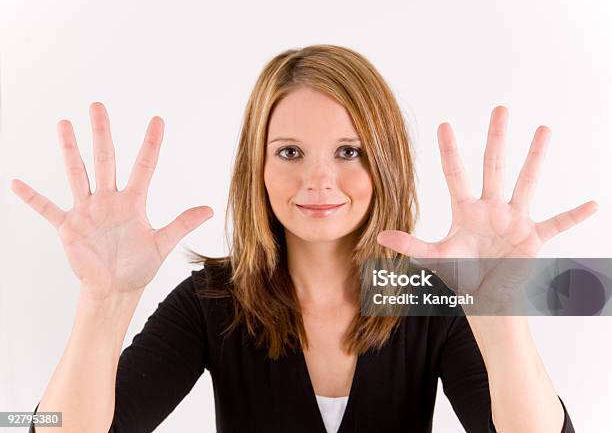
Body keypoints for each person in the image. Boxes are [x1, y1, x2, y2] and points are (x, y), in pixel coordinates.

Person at [12, 44, 593, 432]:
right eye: (290, 152)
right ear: (257, 169)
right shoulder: (212, 301)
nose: (319, 180)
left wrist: (498, 315)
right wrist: (104, 302)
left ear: (384, 165)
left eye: (349, 151)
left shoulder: (427, 297)